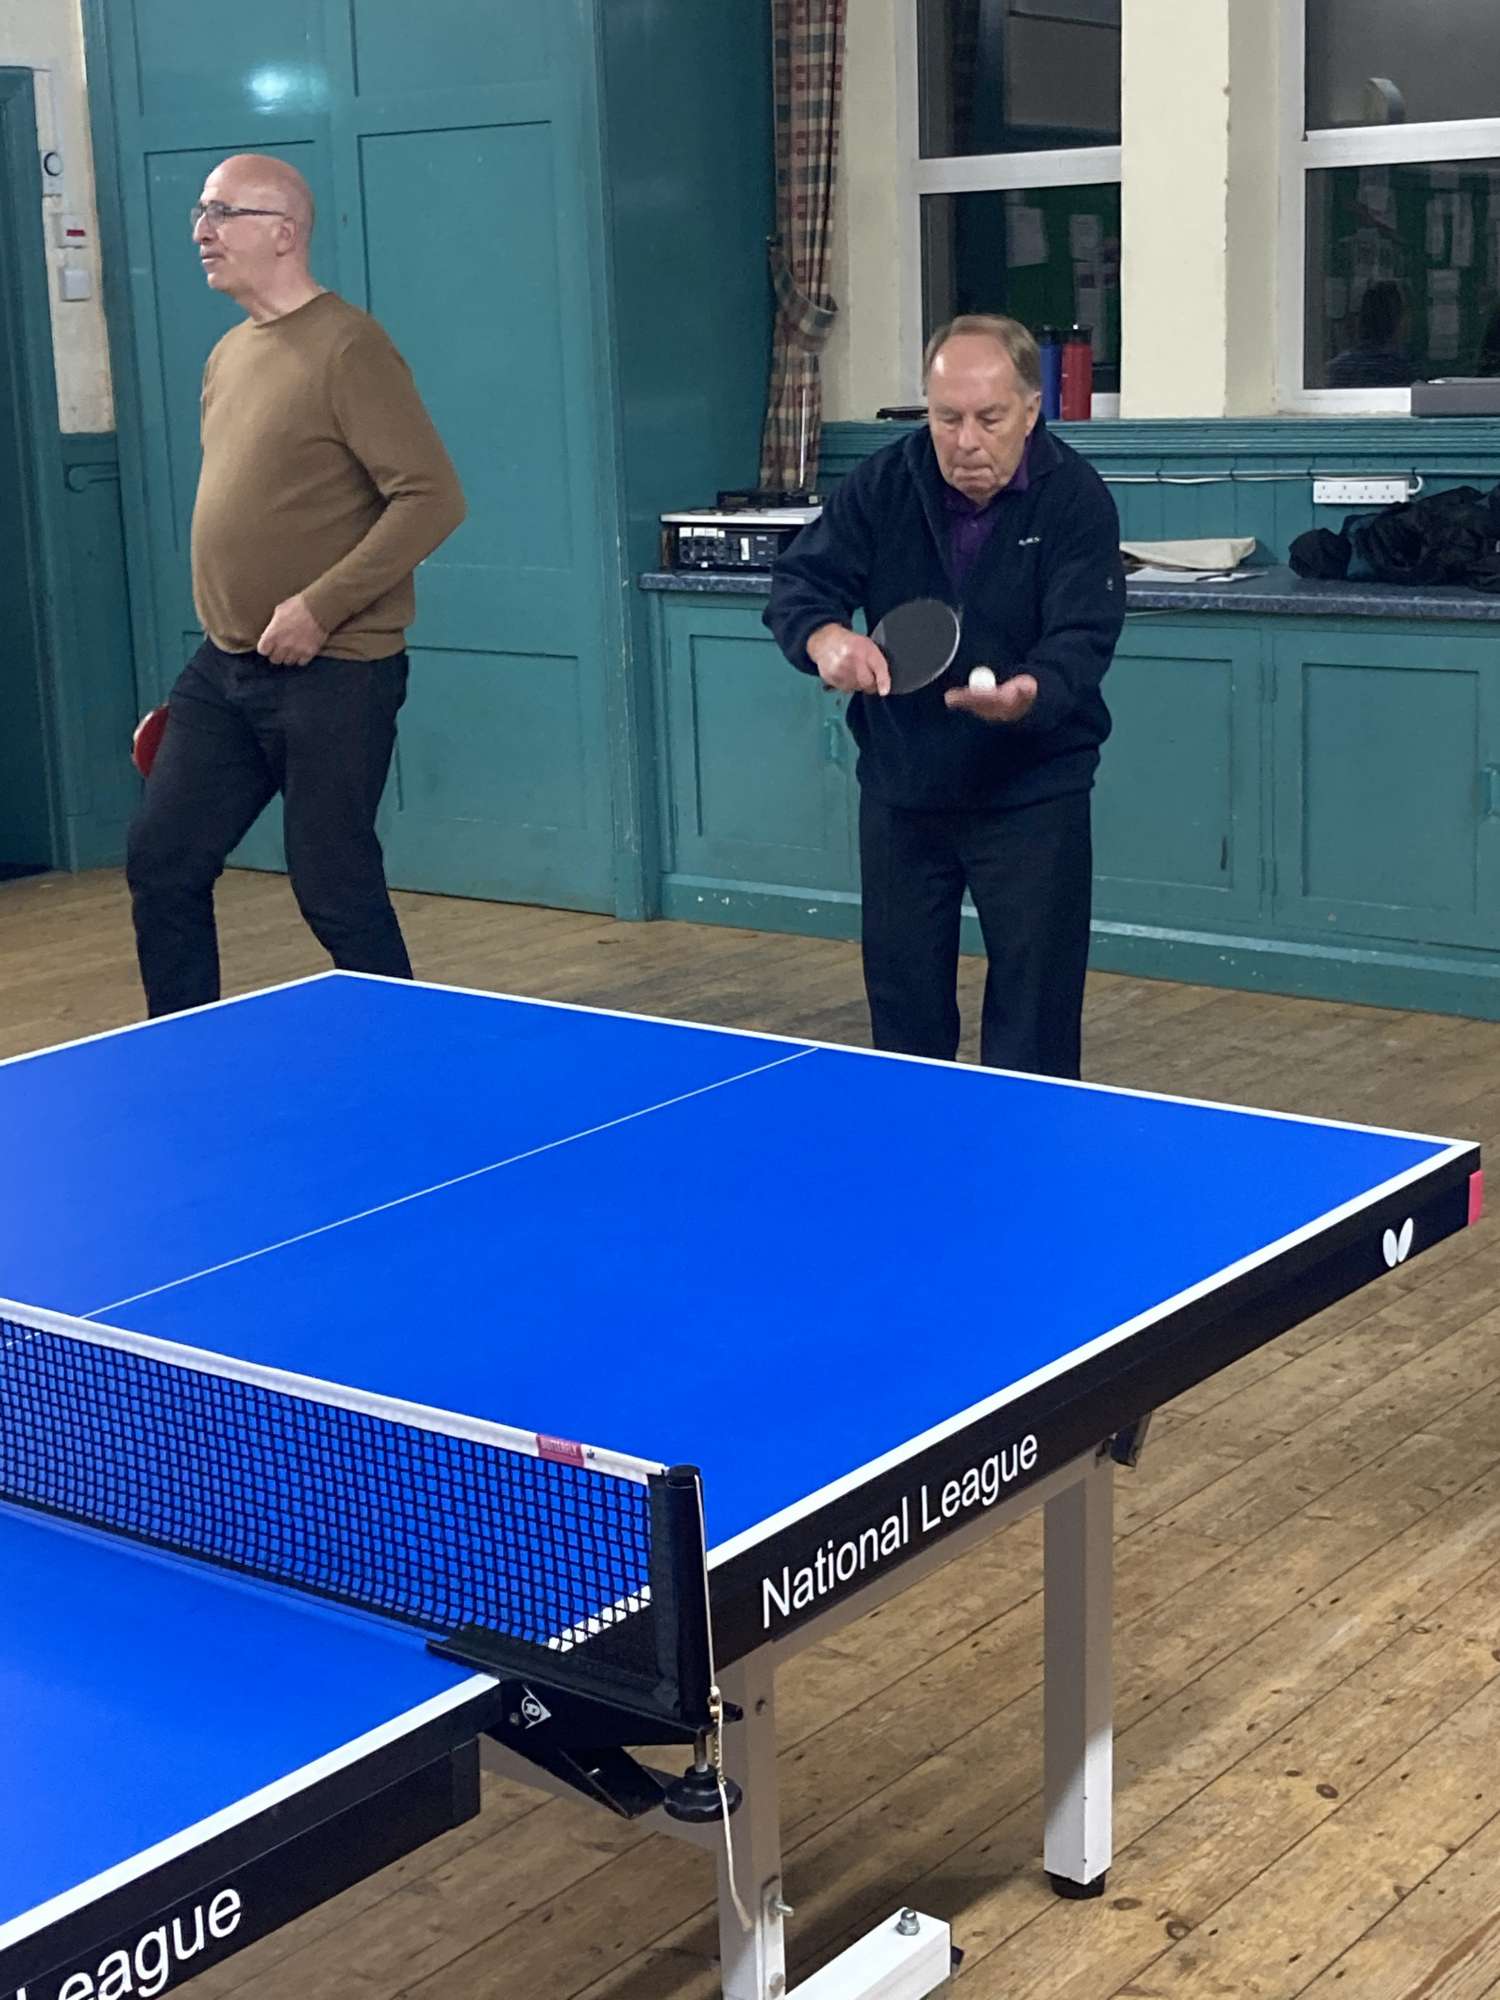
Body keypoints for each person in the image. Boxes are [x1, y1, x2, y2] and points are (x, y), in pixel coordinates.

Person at [126, 154, 466, 1018]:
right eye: (199, 213)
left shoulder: (349, 347)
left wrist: (320, 606)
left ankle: (404, 1048)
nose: (201, 231)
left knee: (333, 885)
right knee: (163, 860)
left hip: (337, 669)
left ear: (283, 232)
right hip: (224, 668)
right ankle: (182, 1050)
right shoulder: (228, 353)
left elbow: (432, 498)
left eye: (221, 213)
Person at [764, 314, 1124, 1078]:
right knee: (905, 1021)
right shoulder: (885, 482)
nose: (965, 441)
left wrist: (1030, 694)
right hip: (904, 789)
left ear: (1032, 409)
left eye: (989, 419)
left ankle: (1030, 1145)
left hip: (1033, 795)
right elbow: (801, 581)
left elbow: (1083, 635)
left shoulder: (1076, 499)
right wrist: (824, 639)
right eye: (946, 418)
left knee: (1034, 1028)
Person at [1326, 279, 1417, 388]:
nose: (1410, 321)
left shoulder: (1337, 369)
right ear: (1396, 318)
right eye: (1407, 312)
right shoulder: (1401, 370)